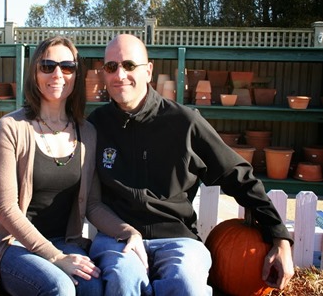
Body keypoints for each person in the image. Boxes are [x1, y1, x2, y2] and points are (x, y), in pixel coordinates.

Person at [86, 34, 295, 296]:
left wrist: (280, 238)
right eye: (111, 67)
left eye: (129, 65)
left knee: (187, 285)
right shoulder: (95, 125)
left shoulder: (184, 123)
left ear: (149, 71)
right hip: (118, 238)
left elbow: (238, 175)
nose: (120, 74)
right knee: (123, 281)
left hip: (178, 239)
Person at [0, 36, 130, 296]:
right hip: (13, 245)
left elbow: (92, 204)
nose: (58, 74)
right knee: (59, 288)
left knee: (93, 285)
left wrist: (128, 233)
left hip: (63, 241)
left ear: (75, 75)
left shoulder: (87, 133)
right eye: (47, 66)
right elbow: (6, 209)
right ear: (35, 73)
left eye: (67, 67)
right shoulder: (11, 128)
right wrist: (55, 257)